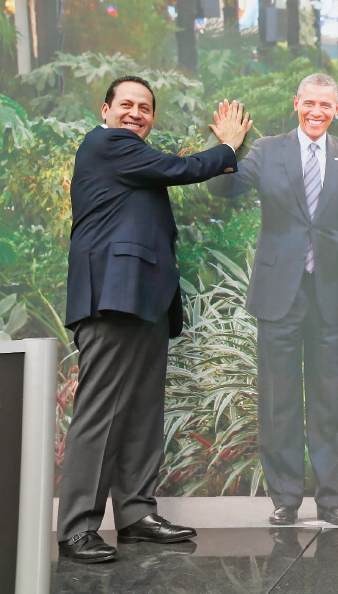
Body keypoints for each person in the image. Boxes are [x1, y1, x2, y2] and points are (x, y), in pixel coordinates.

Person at [58, 76, 251, 563]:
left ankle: (136, 514)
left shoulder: (127, 155)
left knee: (143, 413)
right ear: (105, 110)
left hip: (144, 299)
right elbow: (179, 168)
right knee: (99, 414)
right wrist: (226, 146)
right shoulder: (106, 144)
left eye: (145, 108)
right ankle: (78, 527)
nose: (136, 113)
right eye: (127, 104)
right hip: (110, 297)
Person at [207, 73, 338, 527]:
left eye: (326, 105)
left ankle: (329, 499)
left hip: (331, 296)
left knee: (329, 400)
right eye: (310, 103)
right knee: (279, 400)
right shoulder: (266, 151)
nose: (317, 112)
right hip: (277, 293)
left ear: (337, 109)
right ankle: (284, 499)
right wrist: (228, 149)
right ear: (296, 103)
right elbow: (222, 190)